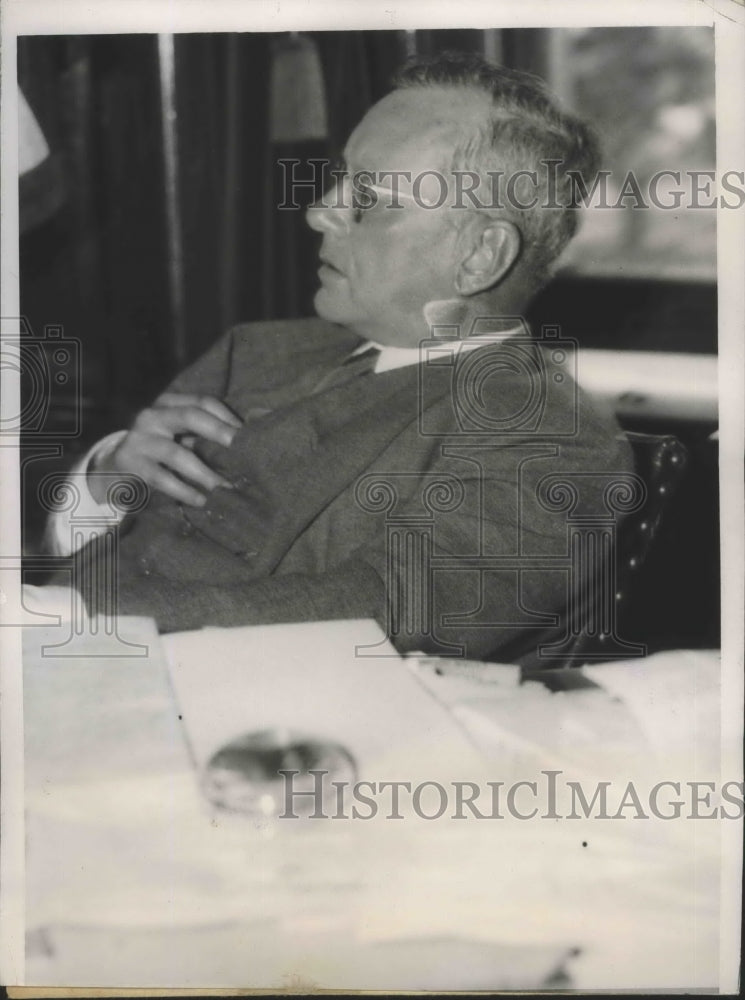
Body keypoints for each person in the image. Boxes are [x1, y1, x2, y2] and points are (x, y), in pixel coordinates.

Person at [44, 51, 632, 661]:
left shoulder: (548, 434)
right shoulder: (253, 351)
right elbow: (75, 548)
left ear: (480, 255)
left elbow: (385, 612)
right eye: (340, 180)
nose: (318, 210)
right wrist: (105, 479)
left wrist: (68, 617)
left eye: (368, 198)